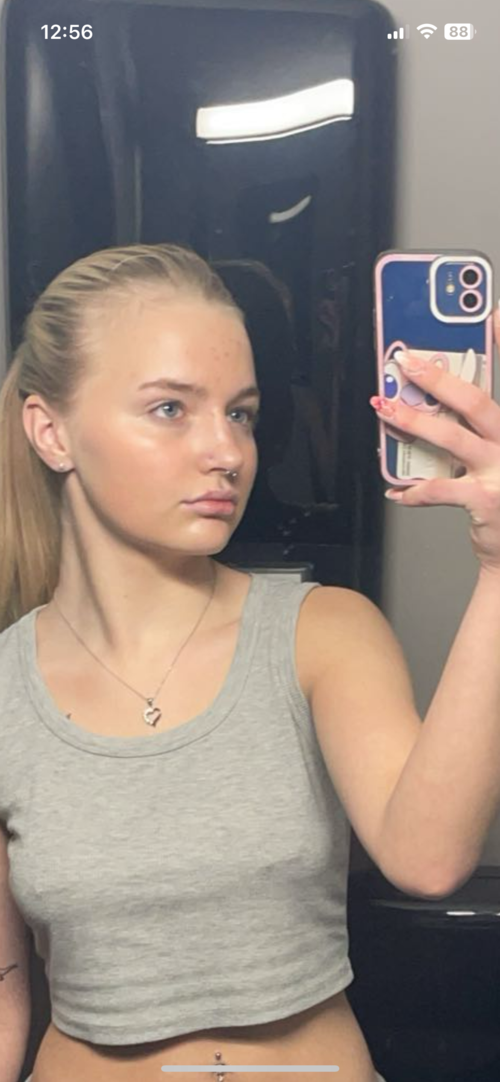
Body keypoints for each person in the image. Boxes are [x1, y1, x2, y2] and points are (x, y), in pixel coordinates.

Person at [1, 243, 500, 1082]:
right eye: (170, 408)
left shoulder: (321, 633)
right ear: (52, 432)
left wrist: (498, 570)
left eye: (241, 414)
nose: (226, 451)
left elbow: (428, 858)